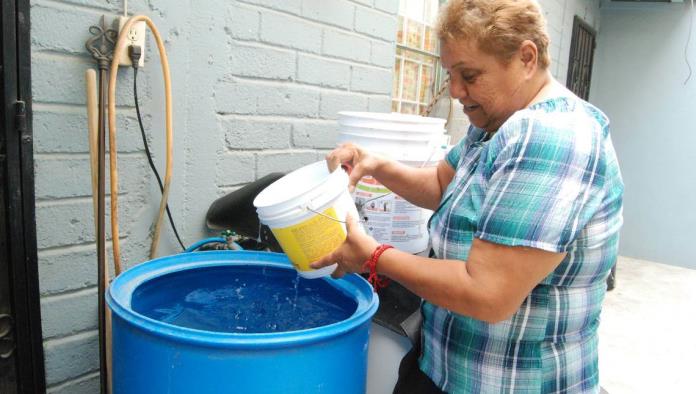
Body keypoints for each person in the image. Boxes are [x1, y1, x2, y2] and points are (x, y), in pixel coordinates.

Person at [312, 0, 624, 392]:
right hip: (446, 365)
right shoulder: (496, 122)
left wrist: (373, 256)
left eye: (470, 75)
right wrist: (375, 164)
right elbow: (444, 185)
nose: (457, 91)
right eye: (451, 74)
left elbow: (487, 293)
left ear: (527, 58)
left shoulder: (553, 137)